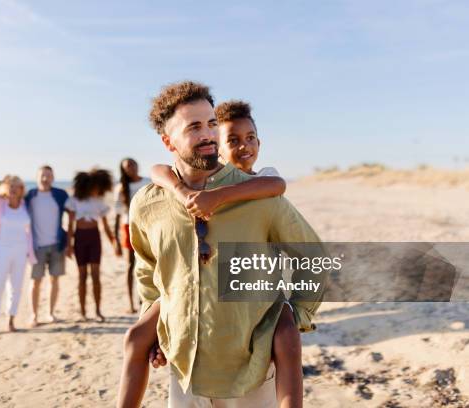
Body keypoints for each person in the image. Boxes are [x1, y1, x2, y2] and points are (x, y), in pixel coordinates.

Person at [126, 81, 328, 407]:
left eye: (211, 124)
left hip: (252, 372)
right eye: (194, 127)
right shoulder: (148, 204)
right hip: (185, 372)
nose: (208, 135)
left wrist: (294, 315)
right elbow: (148, 270)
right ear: (168, 141)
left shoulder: (261, 197)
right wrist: (155, 327)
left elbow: (313, 257)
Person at [0, 175, 37, 337]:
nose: (12, 189)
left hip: (20, 251)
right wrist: (0, 181)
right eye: (10, 186)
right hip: (0, 251)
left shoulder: (25, 206)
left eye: (16, 186)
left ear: (21, 190)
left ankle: (11, 321)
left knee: (16, 288)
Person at [66, 169, 118, 322]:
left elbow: (105, 225)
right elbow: (70, 224)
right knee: (82, 276)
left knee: (96, 276)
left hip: (94, 238)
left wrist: (113, 242)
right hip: (80, 238)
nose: (97, 189)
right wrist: (69, 245)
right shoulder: (74, 200)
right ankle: (82, 312)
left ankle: (98, 311)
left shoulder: (99, 201)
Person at [24, 165, 70, 327]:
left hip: (57, 245)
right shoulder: (30, 195)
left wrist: (69, 240)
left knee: (54, 280)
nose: (45, 178)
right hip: (36, 247)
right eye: (42, 175)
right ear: (37, 177)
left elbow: (73, 210)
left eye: (48, 175)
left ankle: (50, 313)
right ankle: (34, 315)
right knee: (35, 281)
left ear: (53, 177)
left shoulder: (60, 195)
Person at [113, 158, 151, 314]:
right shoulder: (121, 188)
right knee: (131, 265)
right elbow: (117, 214)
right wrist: (115, 239)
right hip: (128, 227)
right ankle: (131, 302)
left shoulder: (148, 182)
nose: (132, 168)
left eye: (133, 164)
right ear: (124, 170)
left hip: (149, 225)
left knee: (150, 263)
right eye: (128, 166)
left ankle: (146, 299)